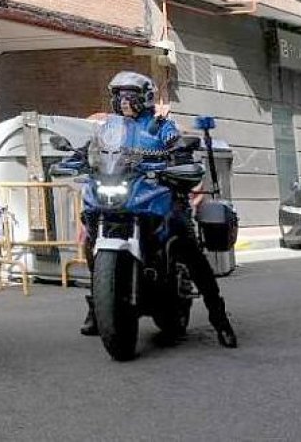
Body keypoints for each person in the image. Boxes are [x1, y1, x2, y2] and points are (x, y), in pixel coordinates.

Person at [77, 71, 237, 348]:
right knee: (89, 239)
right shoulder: (108, 128)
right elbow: (91, 150)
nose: (123, 101)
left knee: (189, 248)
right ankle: (97, 304)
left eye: (130, 95)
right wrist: (77, 157)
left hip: (160, 194)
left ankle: (219, 318)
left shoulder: (161, 126)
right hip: (122, 193)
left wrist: (180, 157)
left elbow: (179, 147)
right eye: (119, 95)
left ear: (146, 97)